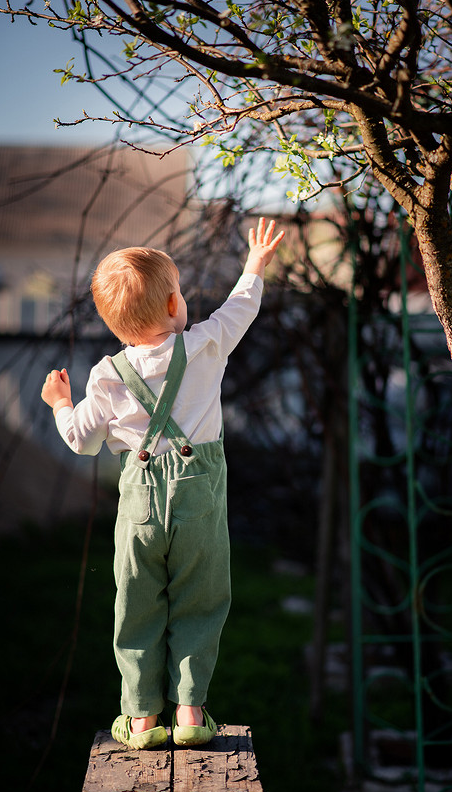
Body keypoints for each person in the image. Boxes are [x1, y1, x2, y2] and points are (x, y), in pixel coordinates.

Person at [41, 217, 284, 750]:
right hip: (200, 495)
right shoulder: (203, 346)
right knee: (200, 598)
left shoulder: (105, 375)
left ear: (111, 323)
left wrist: (61, 404)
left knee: (138, 601)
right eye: (179, 293)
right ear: (175, 306)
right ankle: (191, 711)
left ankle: (142, 718)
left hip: (140, 502)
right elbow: (241, 308)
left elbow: (82, 440)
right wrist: (254, 263)